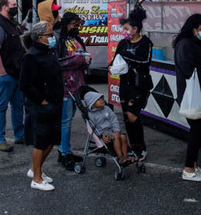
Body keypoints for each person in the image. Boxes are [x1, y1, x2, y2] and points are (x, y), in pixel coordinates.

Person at [173, 13, 201, 182]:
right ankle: (188, 169)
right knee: (197, 130)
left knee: (200, 130)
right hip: (191, 96)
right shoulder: (185, 44)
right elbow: (187, 69)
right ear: (193, 29)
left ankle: (194, 164)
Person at [19, 21, 63, 191]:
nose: (53, 38)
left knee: (51, 140)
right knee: (40, 141)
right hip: (40, 106)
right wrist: (41, 100)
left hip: (55, 102)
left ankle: (35, 169)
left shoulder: (50, 52)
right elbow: (25, 84)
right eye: (50, 35)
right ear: (39, 37)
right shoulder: (31, 56)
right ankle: (36, 178)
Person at [0, 0, 25, 152]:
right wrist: (2, 74)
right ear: (4, 7)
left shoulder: (12, 23)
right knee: (0, 106)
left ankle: (20, 135)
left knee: (18, 105)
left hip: (15, 72)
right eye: (13, 4)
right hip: (2, 74)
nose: (16, 7)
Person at [113, 6, 152, 160]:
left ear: (135, 29)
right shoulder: (122, 43)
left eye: (126, 28)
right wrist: (112, 67)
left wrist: (126, 56)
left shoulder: (146, 43)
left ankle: (141, 147)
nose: (124, 31)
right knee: (126, 117)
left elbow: (145, 61)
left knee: (133, 115)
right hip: (124, 84)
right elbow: (115, 60)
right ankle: (133, 146)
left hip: (139, 85)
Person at [54, 12, 88, 169]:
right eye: (74, 24)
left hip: (78, 85)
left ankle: (65, 150)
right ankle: (64, 153)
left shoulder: (75, 38)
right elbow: (56, 63)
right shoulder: (56, 39)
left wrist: (86, 60)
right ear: (66, 23)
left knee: (69, 120)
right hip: (65, 87)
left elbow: (81, 56)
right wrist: (80, 59)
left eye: (78, 25)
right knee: (65, 122)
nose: (77, 27)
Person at [84, 89, 131, 165]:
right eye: (98, 100)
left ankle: (125, 156)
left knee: (123, 137)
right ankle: (120, 157)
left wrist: (117, 130)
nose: (102, 100)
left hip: (112, 132)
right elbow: (91, 129)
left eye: (101, 98)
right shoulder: (91, 115)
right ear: (91, 103)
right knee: (116, 136)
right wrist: (101, 136)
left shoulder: (107, 109)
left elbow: (114, 120)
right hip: (103, 135)